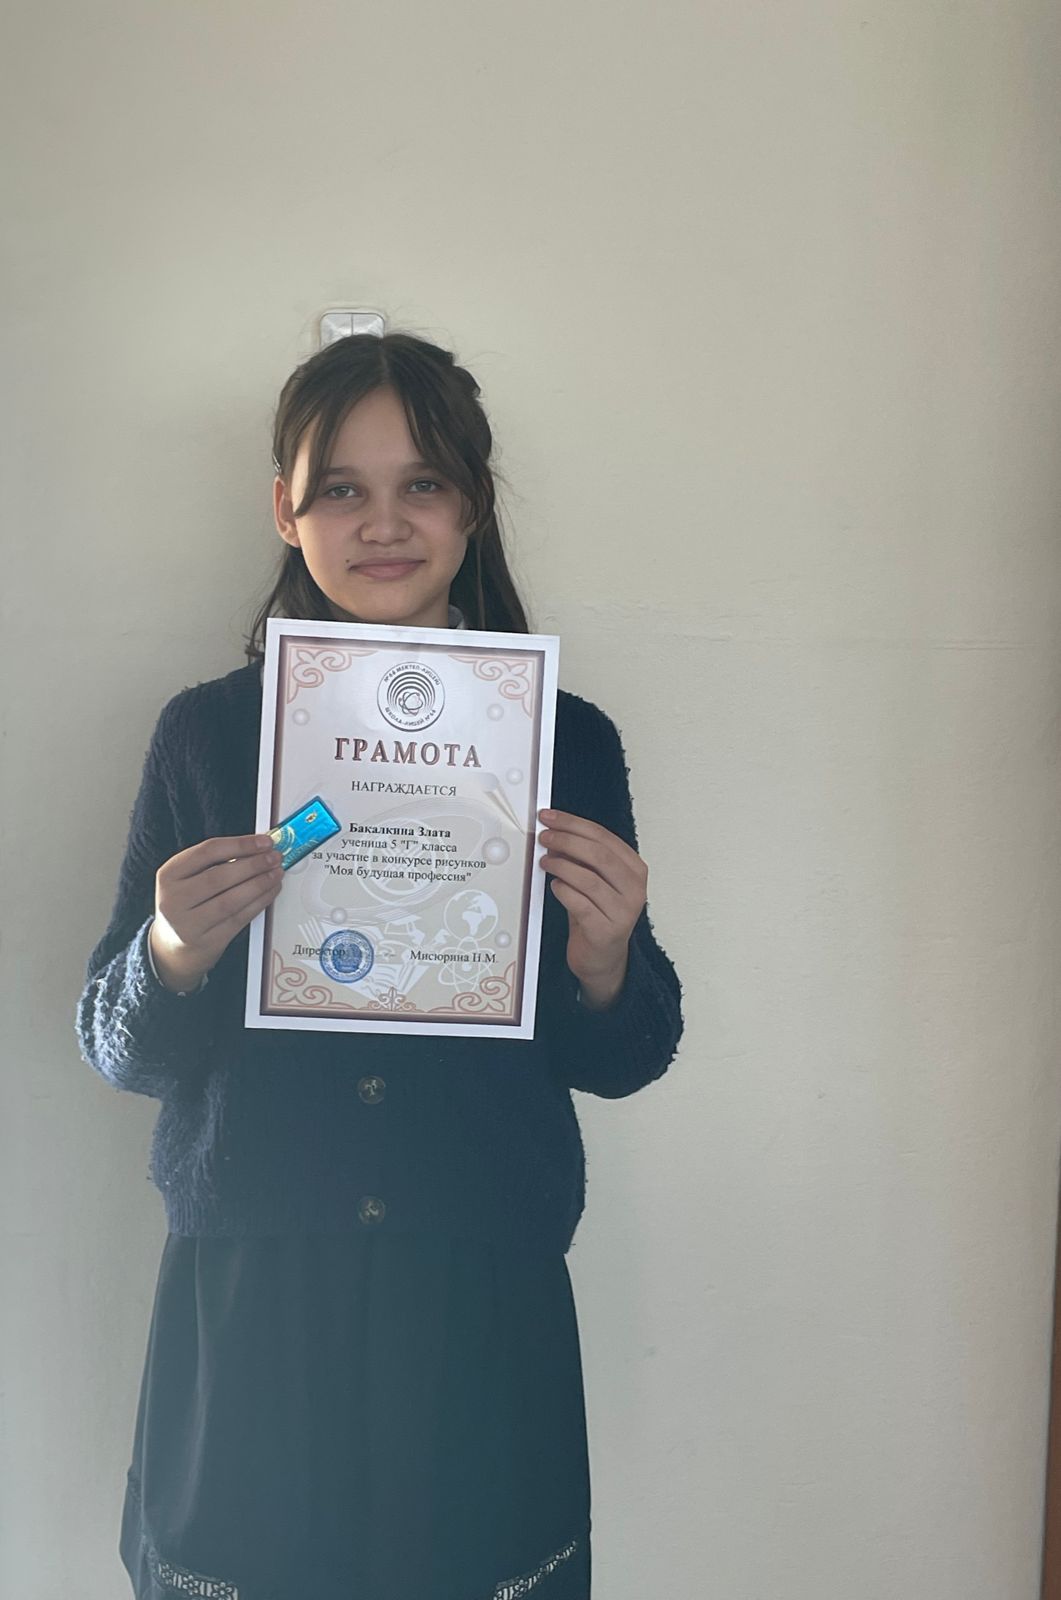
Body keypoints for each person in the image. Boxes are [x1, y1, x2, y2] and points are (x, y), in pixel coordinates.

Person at [76, 331, 684, 1600]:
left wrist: (607, 957)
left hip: (480, 1274)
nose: (384, 522)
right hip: (254, 1273)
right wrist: (173, 951)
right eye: (341, 487)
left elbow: (627, 1056)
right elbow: (118, 1046)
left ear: (472, 504)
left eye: (423, 483)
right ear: (284, 510)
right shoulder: (208, 734)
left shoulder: (565, 743)